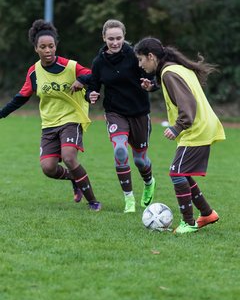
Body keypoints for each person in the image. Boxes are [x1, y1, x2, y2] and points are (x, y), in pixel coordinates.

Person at [0, 19, 101, 211]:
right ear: (36, 49)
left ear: (56, 46)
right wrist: (1, 114)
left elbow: (94, 75)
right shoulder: (34, 72)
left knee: (70, 157)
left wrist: (82, 81)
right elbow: (20, 97)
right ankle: (74, 177)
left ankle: (93, 201)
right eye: (43, 47)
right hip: (49, 124)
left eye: (51, 46)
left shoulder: (70, 66)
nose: (48, 50)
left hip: (71, 119)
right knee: (48, 168)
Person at [134, 37, 225, 233]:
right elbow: (180, 88)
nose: (140, 64)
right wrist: (153, 87)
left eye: (141, 60)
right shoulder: (174, 68)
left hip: (195, 129)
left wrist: (177, 126)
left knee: (176, 173)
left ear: (151, 56)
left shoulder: (169, 73)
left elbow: (188, 105)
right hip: (202, 126)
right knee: (182, 173)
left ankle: (188, 222)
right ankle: (207, 213)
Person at [72, 19, 156, 213]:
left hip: (139, 113)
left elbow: (152, 78)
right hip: (115, 112)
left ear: (124, 37)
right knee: (119, 150)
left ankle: (149, 182)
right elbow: (93, 85)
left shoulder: (136, 56)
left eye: (118, 38)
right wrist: (90, 94)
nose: (115, 42)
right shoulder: (99, 61)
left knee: (140, 161)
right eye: (111, 39)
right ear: (104, 38)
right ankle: (129, 200)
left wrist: (149, 85)